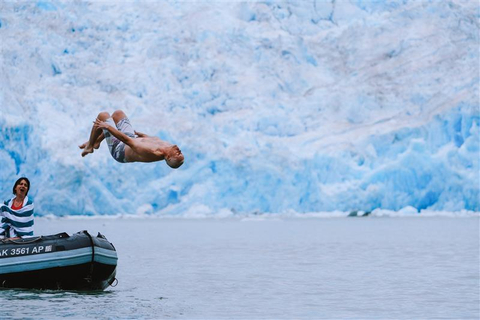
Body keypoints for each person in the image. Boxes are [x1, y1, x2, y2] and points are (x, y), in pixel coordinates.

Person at [79, 110, 184, 168]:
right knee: (117, 114)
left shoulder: (150, 152)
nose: (179, 151)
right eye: (181, 153)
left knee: (103, 116)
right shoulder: (167, 146)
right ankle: (97, 142)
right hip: (130, 139)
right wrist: (141, 134)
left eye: (177, 155)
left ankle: (90, 146)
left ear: (169, 157)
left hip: (119, 150)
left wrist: (107, 127)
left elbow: (126, 140)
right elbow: (153, 140)